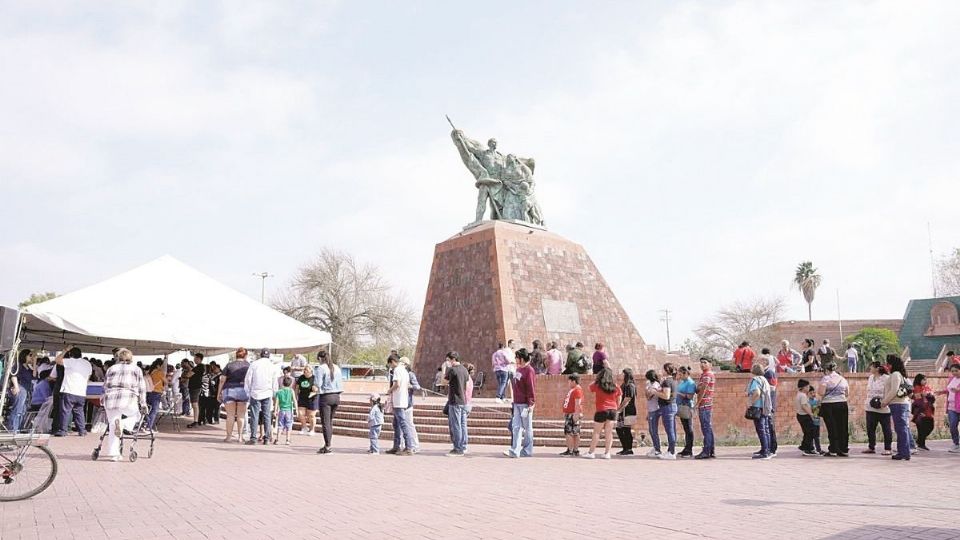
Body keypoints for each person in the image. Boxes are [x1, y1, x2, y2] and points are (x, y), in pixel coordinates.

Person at [100, 348, 147, 462]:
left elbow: (105, 385)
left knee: (113, 425)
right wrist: (143, 403)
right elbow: (141, 387)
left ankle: (114, 454)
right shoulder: (136, 369)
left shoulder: (111, 368)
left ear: (118, 358)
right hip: (128, 399)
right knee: (136, 415)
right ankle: (123, 424)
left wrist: (103, 398)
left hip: (111, 399)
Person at [503, 348, 536, 458]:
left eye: (517, 357)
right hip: (517, 402)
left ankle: (527, 450)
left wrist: (531, 403)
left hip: (525, 404)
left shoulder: (529, 370)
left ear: (521, 358)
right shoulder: (518, 369)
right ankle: (514, 450)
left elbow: (531, 387)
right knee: (516, 426)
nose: (515, 359)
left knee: (527, 428)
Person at [53, 346, 91, 437]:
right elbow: (88, 377)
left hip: (69, 390)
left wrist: (65, 350)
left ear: (70, 354)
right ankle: (82, 430)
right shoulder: (87, 364)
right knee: (79, 411)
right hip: (81, 391)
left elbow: (57, 360)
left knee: (65, 411)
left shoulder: (71, 361)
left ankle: (63, 430)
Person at [244, 348, 278, 445]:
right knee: (267, 415)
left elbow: (248, 379)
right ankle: (267, 438)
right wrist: (274, 392)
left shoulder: (254, 364)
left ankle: (253, 438)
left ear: (260, 355)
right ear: (269, 355)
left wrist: (248, 391)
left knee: (254, 416)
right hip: (267, 392)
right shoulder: (272, 366)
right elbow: (275, 381)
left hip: (256, 392)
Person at [882, 354, 913, 461]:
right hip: (900, 404)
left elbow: (894, 390)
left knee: (901, 429)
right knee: (901, 428)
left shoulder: (895, 374)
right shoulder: (900, 374)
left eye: (888, 363)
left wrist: (884, 401)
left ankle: (904, 452)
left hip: (898, 404)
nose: (887, 365)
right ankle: (904, 452)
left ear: (892, 364)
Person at [385, 355, 416, 456]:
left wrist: (389, 391)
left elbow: (397, 384)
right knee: (396, 424)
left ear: (392, 362)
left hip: (399, 400)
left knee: (403, 423)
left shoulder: (397, 370)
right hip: (403, 399)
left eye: (390, 364)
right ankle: (396, 446)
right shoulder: (405, 371)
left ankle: (408, 447)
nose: (390, 366)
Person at [817, 362, 850, 457]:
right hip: (842, 404)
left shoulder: (826, 378)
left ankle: (833, 449)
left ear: (827, 370)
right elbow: (847, 393)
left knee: (832, 427)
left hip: (829, 405)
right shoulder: (842, 379)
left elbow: (821, 392)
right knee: (843, 427)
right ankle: (843, 449)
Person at [218, 348, 250, 443]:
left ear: (236, 355)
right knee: (241, 415)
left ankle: (228, 437)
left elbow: (222, 380)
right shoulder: (248, 366)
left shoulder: (229, 365)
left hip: (229, 390)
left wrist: (219, 393)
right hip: (243, 390)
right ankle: (240, 437)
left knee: (230, 415)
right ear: (245, 355)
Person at [316, 350, 343, 454]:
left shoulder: (321, 368)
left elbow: (318, 384)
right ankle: (327, 444)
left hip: (326, 396)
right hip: (336, 396)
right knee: (330, 422)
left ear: (320, 358)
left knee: (326, 422)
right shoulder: (336, 367)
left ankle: (328, 446)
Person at [862, 361, 892, 455]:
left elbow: (890, 391)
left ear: (877, 368)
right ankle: (871, 447)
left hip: (883, 408)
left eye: (871, 367)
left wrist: (884, 401)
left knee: (886, 429)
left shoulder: (886, 378)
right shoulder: (871, 377)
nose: (870, 369)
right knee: (870, 428)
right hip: (870, 407)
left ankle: (888, 448)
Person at [443, 351, 470, 456]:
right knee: (463, 424)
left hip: (455, 400)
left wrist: (445, 369)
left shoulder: (452, 370)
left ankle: (458, 448)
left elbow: (444, 382)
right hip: (463, 400)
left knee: (456, 425)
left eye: (448, 360)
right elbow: (466, 383)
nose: (447, 362)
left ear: (453, 359)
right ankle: (463, 446)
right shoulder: (464, 369)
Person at [746, 364, 773, 459]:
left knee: (761, 429)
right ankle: (767, 449)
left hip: (757, 407)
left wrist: (750, 402)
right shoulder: (764, 380)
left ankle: (765, 452)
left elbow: (757, 392)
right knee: (766, 429)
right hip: (765, 407)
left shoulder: (755, 380)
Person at [656, 363, 679, 460]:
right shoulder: (673, 381)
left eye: (663, 369)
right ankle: (671, 450)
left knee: (670, 430)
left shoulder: (667, 382)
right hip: (672, 406)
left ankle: (671, 452)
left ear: (666, 370)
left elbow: (666, 396)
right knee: (672, 429)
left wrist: (655, 392)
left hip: (667, 407)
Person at [694, 357, 716, 459]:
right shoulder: (704, 375)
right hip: (706, 404)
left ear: (710, 364)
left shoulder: (707, 375)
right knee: (708, 428)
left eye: (705, 362)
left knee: (706, 428)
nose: (702, 364)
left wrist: (697, 403)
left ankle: (706, 451)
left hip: (705, 404)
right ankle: (711, 450)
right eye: (701, 362)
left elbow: (703, 390)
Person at [936, 362, 960, 453]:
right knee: (953, 426)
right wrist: (941, 392)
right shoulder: (951, 379)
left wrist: (958, 390)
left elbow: (957, 390)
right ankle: (956, 444)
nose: (954, 373)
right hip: (951, 407)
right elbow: (948, 389)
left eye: (956, 371)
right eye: (952, 371)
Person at [400, 357, 422, 452]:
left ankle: (415, 445)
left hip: (408, 403)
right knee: (401, 426)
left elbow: (417, 386)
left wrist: (410, 386)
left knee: (409, 425)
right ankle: (403, 445)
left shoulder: (410, 374)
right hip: (400, 403)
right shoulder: (398, 373)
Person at [614, 368, 638, 456]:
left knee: (626, 430)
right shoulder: (624, 384)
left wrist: (619, 409)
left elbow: (627, 399)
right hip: (623, 411)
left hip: (628, 411)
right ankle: (625, 448)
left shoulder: (630, 385)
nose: (621, 375)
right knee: (619, 429)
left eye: (623, 374)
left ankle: (629, 448)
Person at [760, 348, 779, 457]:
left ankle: (772, 448)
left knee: (770, 426)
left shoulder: (769, 372)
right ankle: (766, 447)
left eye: (760, 361)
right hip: (765, 403)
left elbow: (772, 387)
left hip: (769, 404)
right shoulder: (764, 373)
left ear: (765, 362)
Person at [559, 374, 583, 456]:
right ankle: (574, 450)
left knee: (569, 432)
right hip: (571, 413)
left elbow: (577, 403)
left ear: (573, 381)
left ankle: (571, 450)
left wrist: (576, 414)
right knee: (575, 432)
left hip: (572, 414)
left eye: (569, 381)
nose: (568, 383)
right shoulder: (574, 390)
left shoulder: (577, 390)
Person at [676, 366, 697, 458]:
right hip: (681, 406)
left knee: (689, 428)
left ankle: (689, 449)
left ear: (685, 373)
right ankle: (686, 448)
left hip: (687, 407)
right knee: (685, 428)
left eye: (680, 374)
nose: (679, 376)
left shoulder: (690, 383)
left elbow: (689, 396)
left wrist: (678, 393)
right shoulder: (683, 382)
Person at [912, 374, 935, 451]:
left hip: (928, 410)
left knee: (930, 426)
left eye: (926, 380)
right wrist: (922, 394)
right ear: (919, 380)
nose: (925, 381)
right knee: (922, 428)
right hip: (920, 411)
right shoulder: (916, 388)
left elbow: (932, 397)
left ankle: (919, 442)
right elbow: (915, 398)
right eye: (924, 380)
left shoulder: (926, 387)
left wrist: (931, 395)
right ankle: (921, 444)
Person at [795, 379, 818, 457]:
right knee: (810, 432)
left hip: (801, 415)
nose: (808, 388)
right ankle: (806, 449)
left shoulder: (799, 394)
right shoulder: (803, 395)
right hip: (804, 416)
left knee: (808, 432)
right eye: (807, 387)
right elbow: (804, 406)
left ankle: (809, 448)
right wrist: (811, 414)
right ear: (803, 387)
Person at [643, 369, 662, 458]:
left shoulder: (655, 385)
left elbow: (649, 396)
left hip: (655, 409)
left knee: (653, 430)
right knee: (651, 430)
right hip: (651, 409)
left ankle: (657, 449)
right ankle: (655, 447)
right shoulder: (649, 384)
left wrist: (646, 389)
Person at [296, 365, 319, 436]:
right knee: (300, 414)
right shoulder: (301, 377)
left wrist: (315, 389)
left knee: (311, 415)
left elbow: (318, 388)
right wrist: (296, 396)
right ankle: (304, 427)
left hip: (312, 398)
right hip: (302, 397)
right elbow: (297, 388)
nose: (305, 371)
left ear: (311, 371)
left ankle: (312, 429)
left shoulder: (315, 378)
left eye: (307, 370)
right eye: (304, 370)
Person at [144, 359, 166, 430]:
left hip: (149, 392)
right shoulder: (159, 372)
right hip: (157, 392)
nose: (163, 367)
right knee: (154, 410)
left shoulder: (151, 372)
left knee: (148, 409)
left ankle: (145, 424)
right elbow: (166, 381)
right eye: (162, 366)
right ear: (158, 366)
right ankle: (149, 426)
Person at [274, 376, 296, 445]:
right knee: (289, 424)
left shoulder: (279, 392)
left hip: (281, 410)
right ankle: (287, 440)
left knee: (280, 425)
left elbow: (276, 402)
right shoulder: (291, 391)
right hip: (289, 410)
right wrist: (296, 409)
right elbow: (294, 400)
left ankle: (277, 439)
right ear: (291, 384)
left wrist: (275, 411)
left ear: (283, 383)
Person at [186, 353, 206, 428]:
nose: (194, 359)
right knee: (194, 404)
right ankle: (196, 420)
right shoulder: (199, 367)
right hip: (194, 387)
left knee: (195, 404)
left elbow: (188, 375)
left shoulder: (199, 366)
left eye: (195, 358)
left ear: (199, 359)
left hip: (195, 387)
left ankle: (196, 421)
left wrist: (189, 368)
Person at [807, 385, 824, 455]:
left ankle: (818, 449)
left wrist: (820, 404)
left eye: (814, 392)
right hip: (810, 421)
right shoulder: (807, 402)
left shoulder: (817, 401)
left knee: (817, 436)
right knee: (811, 436)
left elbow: (820, 410)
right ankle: (810, 449)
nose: (813, 394)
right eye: (811, 393)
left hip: (817, 421)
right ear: (807, 394)